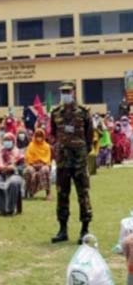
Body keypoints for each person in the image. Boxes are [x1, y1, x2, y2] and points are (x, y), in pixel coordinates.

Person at [50, 80, 94, 244]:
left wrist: (82, 151)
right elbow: (53, 133)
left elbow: (89, 136)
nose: (65, 95)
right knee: (62, 194)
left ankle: (84, 229)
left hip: (79, 159)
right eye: (63, 92)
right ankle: (62, 230)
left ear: (74, 92)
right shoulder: (55, 112)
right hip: (63, 160)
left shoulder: (83, 112)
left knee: (83, 194)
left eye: (68, 91)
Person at [0, 133, 24, 215]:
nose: (7, 142)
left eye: (9, 140)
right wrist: (1, 169)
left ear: (13, 141)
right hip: (2, 175)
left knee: (13, 183)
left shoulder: (19, 153)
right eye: (5, 140)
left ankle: (9, 209)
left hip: (14, 175)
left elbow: (22, 168)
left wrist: (13, 168)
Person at [23, 129, 52, 200]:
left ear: (43, 137)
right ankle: (28, 192)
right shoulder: (31, 145)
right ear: (34, 136)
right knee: (28, 170)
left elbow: (47, 158)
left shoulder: (47, 146)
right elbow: (28, 157)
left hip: (43, 164)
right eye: (37, 136)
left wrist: (42, 163)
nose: (39, 138)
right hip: (32, 164)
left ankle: (48, 193)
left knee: (45, 170)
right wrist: (33, 164)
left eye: (40, 136)